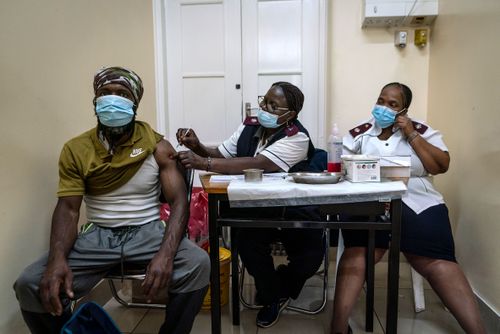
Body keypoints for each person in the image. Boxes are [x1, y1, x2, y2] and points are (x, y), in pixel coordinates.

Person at [13, 66, 210, 334]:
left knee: (197, 264)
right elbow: (69, 209)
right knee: (31, 283)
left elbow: (178, 203)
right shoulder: (77, 149)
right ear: (95, 101)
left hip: (148, 232)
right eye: (105, 93)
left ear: (134, 102)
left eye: (122, 93)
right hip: (97, 237)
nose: (112, 99)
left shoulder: (158, 147)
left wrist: (165, 254)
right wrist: (57, 259)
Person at [330, 82, 486, 334]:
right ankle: (337, 328)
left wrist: (411, 134)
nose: (384, 107)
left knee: (437, 261)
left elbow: (440, 165)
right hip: (369, 198)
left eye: (392, 104)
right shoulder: (360, 132)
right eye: (381, 101)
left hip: (417, 200)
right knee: (358, 254)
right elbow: (339, 165)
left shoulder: (422, 130)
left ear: (404, 109)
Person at [176, 82, 326, 328]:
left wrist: (203, 162)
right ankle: (271, 299)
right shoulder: (250, 126)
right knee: (247, 244)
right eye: (264, 101)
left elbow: (259, 163)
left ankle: (278, 287)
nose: (264, 108)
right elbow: (224, 154)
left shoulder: (297, 137)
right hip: (256, 206)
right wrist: (198, 147)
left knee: (311, 256)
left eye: (273, 106)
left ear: (291, 115)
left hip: (292, 208)